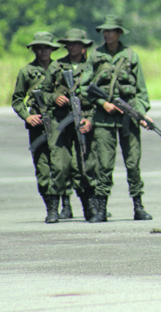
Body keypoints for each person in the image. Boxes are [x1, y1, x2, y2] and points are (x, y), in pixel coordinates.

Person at [80, 15, 153, 222]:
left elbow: (141, 90)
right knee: (104, 165)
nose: (107, 33)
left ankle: (138, 206)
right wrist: (103, 103)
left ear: (119, 32)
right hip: (103, 120)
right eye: (105, 30)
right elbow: (85, 87)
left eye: (111, 30)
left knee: (133, 164)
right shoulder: (95, 56)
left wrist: (140, 113)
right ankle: (101, 210)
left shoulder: (131, 56)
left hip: (128, 119)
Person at [41, 28, 97, 221]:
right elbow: (44, 93)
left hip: (82, 120)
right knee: (59, 164)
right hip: (60, 122)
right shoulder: (57, 66)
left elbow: (100, 98)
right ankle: (54, 209)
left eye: (76, 43)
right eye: (69, 44)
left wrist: (91, 119)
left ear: (83, 46)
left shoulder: (91, 67)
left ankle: (89, 208)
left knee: (83, 165)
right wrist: (55, 98)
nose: (72, 47)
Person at [11, 32, 62, 223]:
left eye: (46, 47)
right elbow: (17, 100)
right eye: (39, 47)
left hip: (59, 124)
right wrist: (27, 116)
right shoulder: (27, 72)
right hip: (38, 125)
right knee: (43, 167)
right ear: (34, 49)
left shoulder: (60, 68)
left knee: (63, 165)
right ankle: (52, 208)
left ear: (52, 49)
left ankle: (66, 202)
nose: (43, 51)